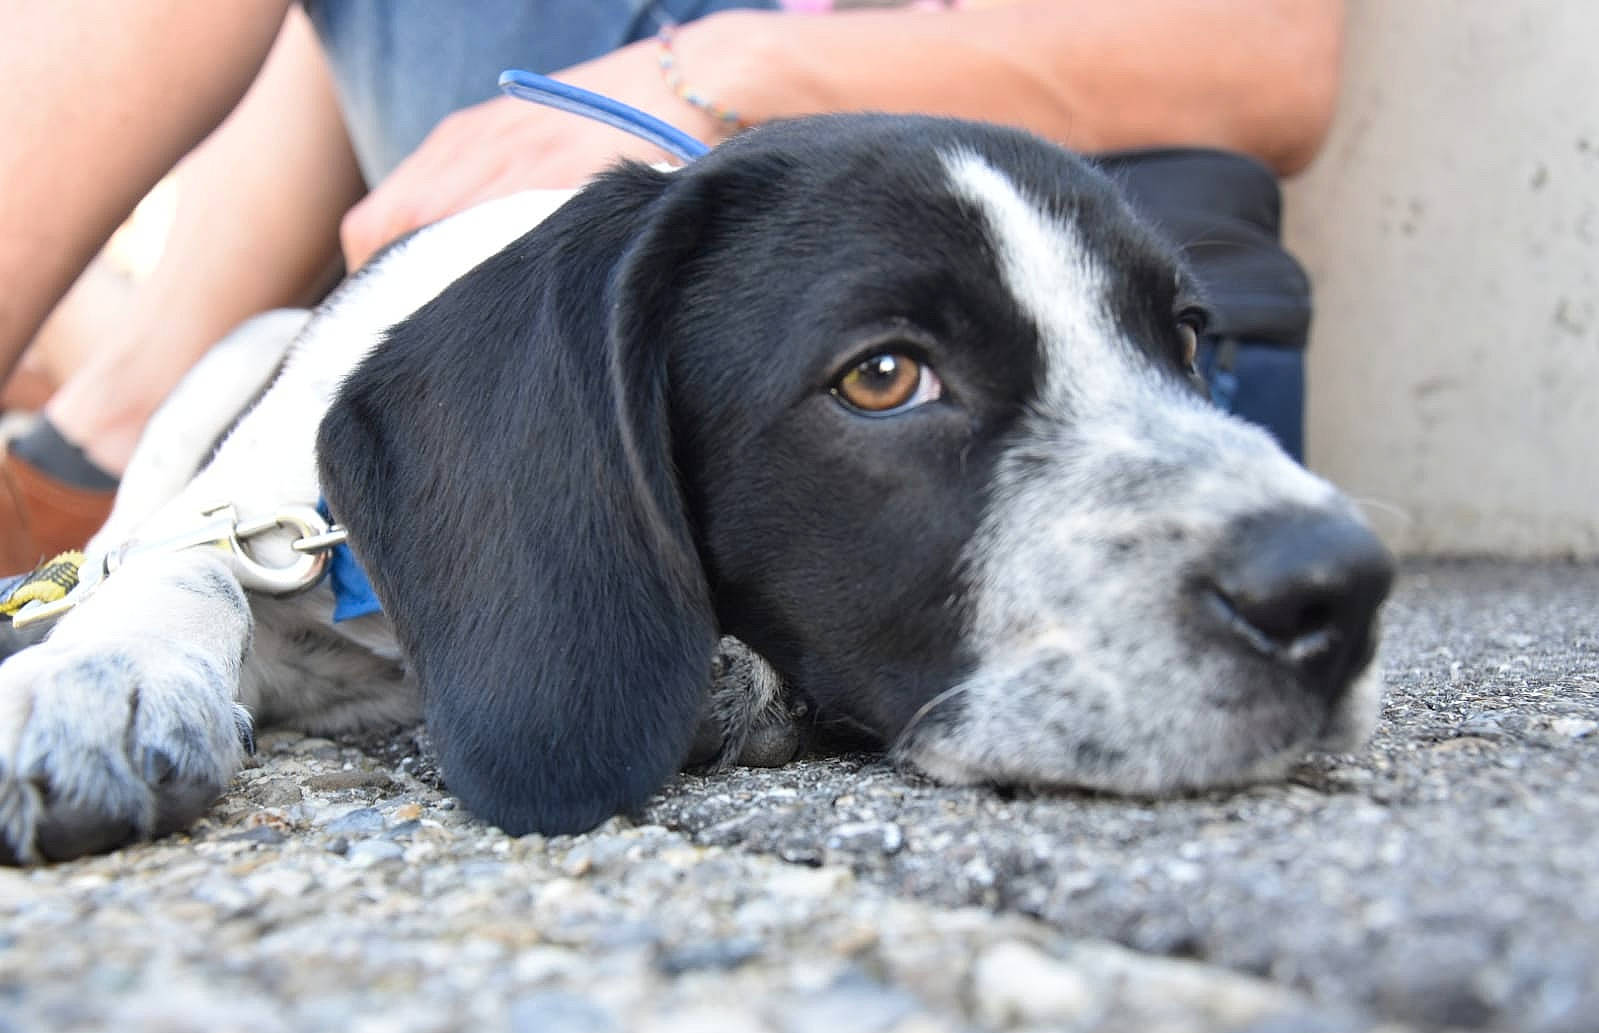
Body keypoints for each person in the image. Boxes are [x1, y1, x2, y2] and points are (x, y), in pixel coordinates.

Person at [0, 0, 1344, 573]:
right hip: (608, 310)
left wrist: (683, 81)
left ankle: (113, 421)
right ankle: (119, 422)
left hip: (1051, 377)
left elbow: (1264, 52)